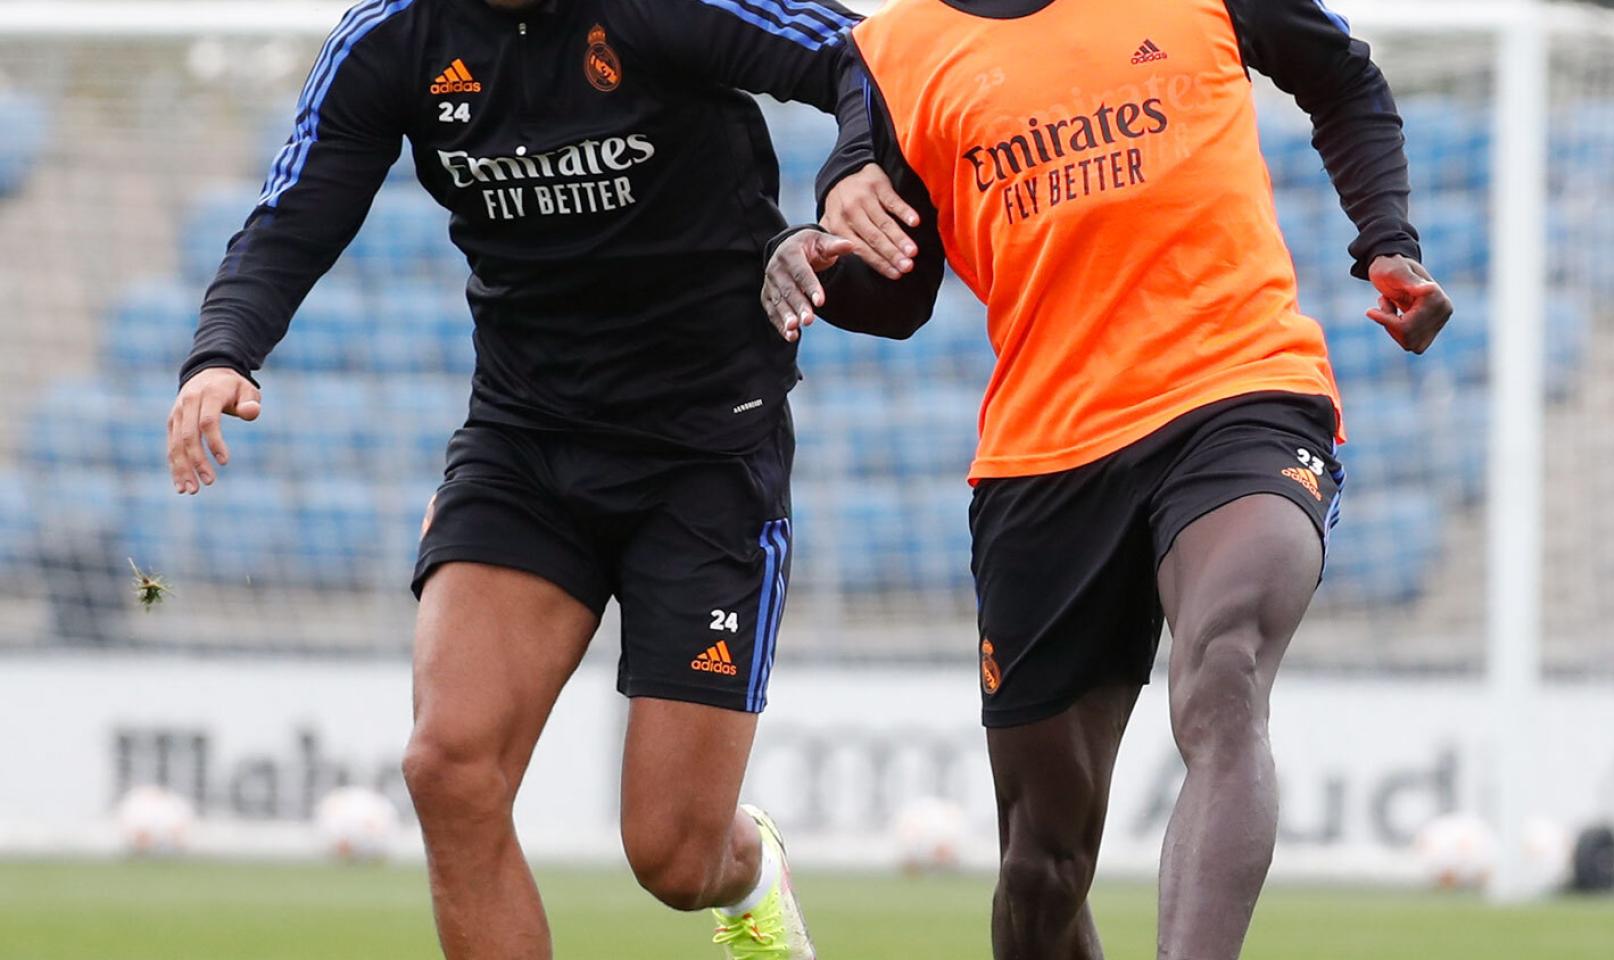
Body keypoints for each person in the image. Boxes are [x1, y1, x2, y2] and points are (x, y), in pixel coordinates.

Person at [163, 0, 918, 957]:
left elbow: (863, 54)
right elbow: (292, 214)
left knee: (674, 858)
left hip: (706, 455)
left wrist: (851, 167)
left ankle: (753, 875)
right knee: (448, 768)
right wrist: (222, 353)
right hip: (525, 444)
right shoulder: (391, 38)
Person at [763, 0, 1454, 957]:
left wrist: (1387, 239)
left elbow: (1344, 77)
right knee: (1040, 867)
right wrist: (806, 259)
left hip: (1240, 393)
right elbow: (898, 290)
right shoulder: (889, 58)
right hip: (1044, 457)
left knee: (1224, 670)